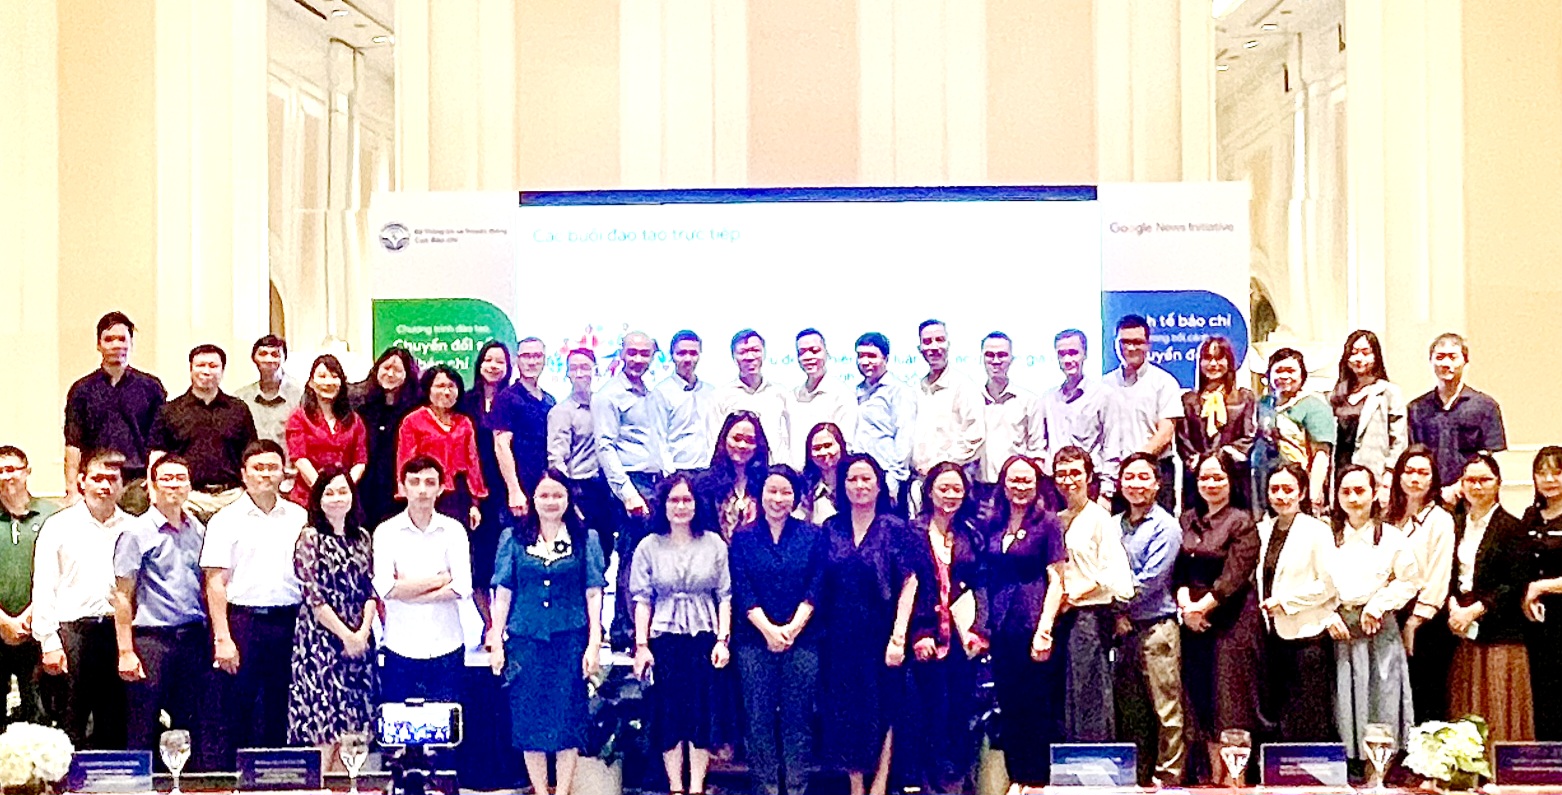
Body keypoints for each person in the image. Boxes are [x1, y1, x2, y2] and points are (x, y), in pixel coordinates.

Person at [486, 470, 606, 795]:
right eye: (544, 495)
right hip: (526, 642)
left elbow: (593, 592)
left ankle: (563, 790)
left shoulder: (586, 539)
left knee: (568, 720)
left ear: (568, 499)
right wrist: (496, 640)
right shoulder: (512, 538)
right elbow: (503, 591)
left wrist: (594, 642)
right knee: (529, 721)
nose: (551, 501)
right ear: (533, 499)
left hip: (569, 641)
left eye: (557, 495)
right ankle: (540, 790)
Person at [817, 454, 916, 795]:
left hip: (883, 633)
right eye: (852, 479)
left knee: (884, 707)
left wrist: (899, 636)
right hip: (839, 636)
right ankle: (856, 785)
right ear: (843, 485)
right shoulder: (831, 527)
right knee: (847, 711)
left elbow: (910, 581)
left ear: (878, 484)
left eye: (866, 479)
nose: (859, 486)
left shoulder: (895, 527)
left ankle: (880, 783)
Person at [112, 455, 219, 770]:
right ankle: (139, 787)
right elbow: (122, 595)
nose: (174, 485)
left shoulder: (198, 530)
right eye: (167, 478)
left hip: (193, 639)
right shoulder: (135, 533)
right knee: (142, 723)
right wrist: (126, 651)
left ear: (189, 485)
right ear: (153, 486)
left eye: (180, 478)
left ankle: (188, 787)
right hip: (152, 641)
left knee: (193, 723)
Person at [630, 473, 732, 795]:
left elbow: (725, 595)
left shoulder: (714, 543)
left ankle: (697, 786)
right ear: (663, 504)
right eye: (674, 500)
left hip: (704, 636)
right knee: (669, 714)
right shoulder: (648, 546)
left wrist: (723, 640)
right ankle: (675, 787)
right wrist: (642, 645)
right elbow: (642, 599)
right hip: (664, 638)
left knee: (702, 713)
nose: (681, 506)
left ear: (697, 504)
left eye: (687, 499)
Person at [201, 440, 306, 752]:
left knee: (282, 705)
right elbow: (215, 582)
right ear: (243, 473)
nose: (265, 474)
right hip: (243, 623)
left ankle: (279, 775)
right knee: (237, 707)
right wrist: (222, 637)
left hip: (289, 622)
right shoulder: (225, 520)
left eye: (272, 467)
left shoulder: (300, 517)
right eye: (258, 468)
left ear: (284, 473)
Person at [729, 466, 824, 795]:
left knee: (799, 720)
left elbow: (816, 585)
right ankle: (766, 789)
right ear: (760, 494)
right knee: (759, 720)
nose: (778, 498)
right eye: (772, 491)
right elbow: (741, 587)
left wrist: (793, 628)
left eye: (786, 492)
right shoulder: (743, 537)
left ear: (796, 497)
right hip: (754, 640)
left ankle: (797, 788)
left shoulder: (813, 535)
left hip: (803, 640)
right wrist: (768, 630)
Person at [31, 449, 130, 749]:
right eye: (97, 478)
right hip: (73, 634)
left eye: (112, 479)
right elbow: (44, 585)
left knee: (115, 723)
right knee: (70, 723)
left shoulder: (132, 527)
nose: (105, 486)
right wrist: (49, 642)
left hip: (117, 633)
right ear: (82, 481)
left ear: (123, 485)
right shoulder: (58, 526)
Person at [978, 455, 1066, 788]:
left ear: (1037, 484)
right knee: (1009, 704)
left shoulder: (1049, 523)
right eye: (1013, 480)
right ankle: (1016, 778)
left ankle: (1037, 780)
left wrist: (1045, 629)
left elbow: (1056, 579)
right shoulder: (992, 522)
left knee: (1036, 705)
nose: (1020, 486)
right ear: (1003, 484)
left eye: (1026, 480)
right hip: (1001, 628)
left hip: (1032, 625)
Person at [1175, 451, 1262, 785]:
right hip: (1194, 623)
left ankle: (1234, 780)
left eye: (1218, 477)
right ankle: (1213, 777)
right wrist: (1187, 607)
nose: (1210, 484)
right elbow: (1179, 571)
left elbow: (1234, 577)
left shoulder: (1242, 521)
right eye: (1204, 478)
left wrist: (1202, 607)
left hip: (1232, 621)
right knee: (1201, 699)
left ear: (1230, 481)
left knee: (1231, 700)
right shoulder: (1187, 519)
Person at [902, 461, 985, 794]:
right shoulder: (912, 532)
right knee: (928, 715)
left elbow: (981, 585)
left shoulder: (972, 533)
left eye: (957, 489)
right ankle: (930, 786)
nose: (950, 495)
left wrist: (980, 629)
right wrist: (918, 633)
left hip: (964, 640)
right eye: (944, 488)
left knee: (960, 713)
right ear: (929, 491)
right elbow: (907, 587)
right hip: (926, 640)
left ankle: (958, 785)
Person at [1326, 465, 1418, 761]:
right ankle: (1349, 769)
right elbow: (1312, 580)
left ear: (1374, 493)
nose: (1353, 498)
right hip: (1340, 631)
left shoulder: (1391, 537)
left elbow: (1410, 581)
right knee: (1344, 703)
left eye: (1360, 490)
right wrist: (1328, 614)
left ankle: (1377, 773)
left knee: (1382, 701)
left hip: (1378, 629)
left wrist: (1379, 605)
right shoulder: (1326, 536)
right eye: (1346, 492)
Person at [287, 468, 378, 765]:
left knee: (354, 731)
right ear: (318, 499)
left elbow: (370, 590)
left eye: (343, 491)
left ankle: (347, 783)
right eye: (329, 493)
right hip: (321, 642)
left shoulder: (362, 537)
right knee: (324, 728)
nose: (337, 498)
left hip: (360, 641)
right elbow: (313, 596)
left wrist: (362, 634)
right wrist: (346, 635)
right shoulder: (310, 538)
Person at [1445, 452, 1532, 745]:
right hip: (1462, 631)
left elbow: (1514, 583)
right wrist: (1453, 607)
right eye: (1470, 480)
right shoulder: (1454, 523)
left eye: (1485, 479)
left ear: (1498, 483)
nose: (1477, 486)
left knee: (1497, 706)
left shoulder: (1512, 527)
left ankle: (1499, 766)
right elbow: (1446, 572)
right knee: (1465, 706)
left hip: (1500, 634)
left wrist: (1475, 611)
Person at [372, 455, 473, 703]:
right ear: (402, 487)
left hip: (447, 645)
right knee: (400, 723)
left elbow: (462, 586)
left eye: (430, 483)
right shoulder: (385, 532)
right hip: (400, 646)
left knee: (448, 723)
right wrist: (440, 580)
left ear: (441, 488)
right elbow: (386, 588)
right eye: (414, 482)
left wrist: (407, 591)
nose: (422, 490)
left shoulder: (454, 530)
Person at [1052, 445, 1133, 742]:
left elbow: (1112, 573)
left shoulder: (1100, 518)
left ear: (1088, 477)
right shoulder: (1056, 519)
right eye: (1061, 474)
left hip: (1089, 615)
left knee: (1089, 692)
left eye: (1075, 473)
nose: (1068, 480)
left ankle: (1092, 759)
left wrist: (1072, 596)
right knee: (1064, 694)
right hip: (1060, 617)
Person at [1113, 452, 1185, 787]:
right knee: (1131, 710)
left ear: (1157, 484)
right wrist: (1116, 614)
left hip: (1156, 629)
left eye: (1144, 477)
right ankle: (1136, 778)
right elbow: (1104, 571)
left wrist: (1116, 606)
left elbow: (1150, 580)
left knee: (1166, 709)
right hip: (1121, 632)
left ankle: (1168, 779)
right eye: (1129, 477)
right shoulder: (1113, 525)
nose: (1136, 484)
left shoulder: (1166, 527)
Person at [592, 332, 665, 647]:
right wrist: (627, 493)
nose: (638, 359)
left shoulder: (650, 393)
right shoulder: (608, 395)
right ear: (621, 353)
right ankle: (628, 631)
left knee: (648, 557)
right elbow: (605, 447)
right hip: (631, 484)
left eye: (644, 353)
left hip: (655, 482)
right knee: (632, 557)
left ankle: (637, 627)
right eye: (632, 352)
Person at [1256, 464, 1338, 743]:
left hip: (1307, 635)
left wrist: (1287, 602)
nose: (1281, 495)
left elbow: (1329, 584)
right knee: (1277, 716)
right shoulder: (1262, 529)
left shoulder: (1318, 531)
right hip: (1270, 635)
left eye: (1288, 489)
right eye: (1275, 489)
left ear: (1302, 493)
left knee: (1307, 715)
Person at [64, 312, 167, 513]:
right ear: (98, 344)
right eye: (109, 339)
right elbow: (73, 443)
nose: (116, 345)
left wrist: (154, 483)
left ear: (131, 343)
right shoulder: (81, 390)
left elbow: (158, 443)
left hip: (137, 483)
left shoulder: (151, 388)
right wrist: (71, 490)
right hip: (96, 479)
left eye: (122, 339)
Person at [1382, 446, 1455, 722]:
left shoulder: (1440, 520)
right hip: (1390, 615)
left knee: (1425, 694)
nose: (1415, 479)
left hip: (1425, 622)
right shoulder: (1388, 518)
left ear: (1433, 479)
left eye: (1423, 473)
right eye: (1409, 471)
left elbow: (1439, 575)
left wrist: (1415, 622)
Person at [148, 345, 257, 522]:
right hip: (188, 498)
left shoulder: (239, 410)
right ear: (191, 369)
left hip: (231, 497)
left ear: (222, 370)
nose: (206, 371)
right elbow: (157, 456)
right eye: (200, 365)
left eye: (213, 366)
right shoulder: (169, 411)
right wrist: (154, 494)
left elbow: (251, 455)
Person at [1407, 333, 1507, 503]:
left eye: (1453, 357)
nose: (1446, 363)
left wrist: (1459, 487)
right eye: (1440, 357)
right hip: (1428, 497)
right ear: (1431, 361)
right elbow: (1413, 456)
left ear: (1465, 361)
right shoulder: (1416, 409)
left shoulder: (1485, 406)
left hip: (1474, 495)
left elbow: (1492, 457)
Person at [0, 446, 59, 727]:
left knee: (40, 714)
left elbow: (62, 572)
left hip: (37, 629)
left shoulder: (52, 516)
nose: (5, 476)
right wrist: (4, 621)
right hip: (0, 625)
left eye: (12, 469)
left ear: (27, 472)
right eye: (0, 471)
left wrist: (31, 615)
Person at [397, 366, 489, 535]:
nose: (446, 392)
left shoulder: (464, 422)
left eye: (451, 387)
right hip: (425, 491)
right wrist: (407, 494)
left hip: (459, 495)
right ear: (428, 389)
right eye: (440, 386)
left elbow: (473, 463)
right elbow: (405, 461)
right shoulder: (413, 421)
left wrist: (475, 503)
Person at [1105, 317, 1183, 512]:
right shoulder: (1104, 385)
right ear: (1115, 344)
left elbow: (1165, 432)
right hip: (1116, 475)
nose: (1131, 348)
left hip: (1155, 469)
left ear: (1148, 344)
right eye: (1125, 342)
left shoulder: (1164, 382)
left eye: (1137, 342)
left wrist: (1136, 464)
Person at [459, 340, 515, 602]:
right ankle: (488, 621)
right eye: (488, 360)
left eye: (500, 361)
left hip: (507, 487)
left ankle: (504, 617)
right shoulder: (464, 401)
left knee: (505, 558)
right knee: (479, 563)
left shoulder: (514, 399)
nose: (493, 366)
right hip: (473, 489)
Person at [909, 321, 984, 515]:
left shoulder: (964, 387)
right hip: (918, 483)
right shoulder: (915, 389)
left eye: (939, 340)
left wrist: (939, 468)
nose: (934, 347)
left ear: (948, 344)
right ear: (919, 348)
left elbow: (974, 438)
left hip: (953, 486)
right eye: (927, 342)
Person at [548, 348, 616, 559]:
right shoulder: (561, 412)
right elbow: (556, 459)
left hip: (607, 487)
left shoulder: (605, 405)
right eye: (574, 368)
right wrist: (568, 498)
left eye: (585, 367)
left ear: (595, 370)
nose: (579, 373)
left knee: (607, 547)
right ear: (567, 373)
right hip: (580, 489)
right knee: (584, 549)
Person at [1175, 336, 1256, 510]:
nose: (1213, 364)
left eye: (1219, 358)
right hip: (1198, 478)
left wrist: (1221, 458)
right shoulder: (1189, 401)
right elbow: (1183, 439)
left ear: (1229, 362)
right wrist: (1202, 462)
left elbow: (1248, 436)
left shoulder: (1244, 398)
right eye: (1207, 358)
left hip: (1234, 476)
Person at [1039, 329, 1121, 501]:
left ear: (1085, 354)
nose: (1068, 359)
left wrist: (1106, 493)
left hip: (1089, 484)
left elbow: (1112, 445)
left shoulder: (1104, 395)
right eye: (1062, 354)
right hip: (1054, 487)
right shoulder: (1047, 398)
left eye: (1073, 353)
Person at [1254, 348, 1335, 513]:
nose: (1284, 376)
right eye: (1279, 371)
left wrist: (1313, 493)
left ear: (1302, 375)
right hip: (1263, 486)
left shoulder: (1314, 406)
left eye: (1290, 371)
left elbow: (1321, 454)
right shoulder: (1263, 404)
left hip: (1297, 487)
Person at [1328, 330, 1407, 490]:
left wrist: (1389, 471)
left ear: (1376, 356)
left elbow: (1399, 439)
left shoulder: (1388, 392)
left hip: (1374, 473)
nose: (1359, 359)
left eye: (1365, 353)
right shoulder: (1337, 393)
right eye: (1354, 353)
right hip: (1340, 472)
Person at [286, 354, 367, 506]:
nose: (328, 382)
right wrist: (322, 490)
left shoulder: (355, 420)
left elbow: (360, 461)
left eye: (334, 376)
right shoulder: (299, 417)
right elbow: (299, 458)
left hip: (344, 499)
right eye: (322, 376)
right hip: (307, 499)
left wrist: (343, 489)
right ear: (311, 382)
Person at [976, 333, 1043, 513]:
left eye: (1002, 355)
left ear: (1012, 359)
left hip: (1016, 489)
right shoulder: (971, 399)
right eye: (990, 355)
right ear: (981, 358)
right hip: (979, 489)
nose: (996, 361)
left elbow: (1036, 449)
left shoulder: (1029, 401)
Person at [355, 347, 421, 528]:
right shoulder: (363, 408)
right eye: (386, 368)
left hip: (399, 490)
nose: (390, 374)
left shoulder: (415, 410)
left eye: (397, 370)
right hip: (366, 490)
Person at [1523, 447, 1562, 740]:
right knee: (1542, 694)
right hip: (1537, 623)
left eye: (1557, 473)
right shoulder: (1531, 515)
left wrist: (1540, 587)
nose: (1549, 480)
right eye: (1542, 473)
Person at [495, 337, 557, 518]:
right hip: (519, 490)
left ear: (544, 360)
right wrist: (514, 489)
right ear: (517, 360)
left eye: (537, 356)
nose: (532, 361)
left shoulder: (550, 400)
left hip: (545, 487)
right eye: (526, 356)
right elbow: (501, 445)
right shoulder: (506, 398)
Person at [852, 332, 914, 506]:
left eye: (871, 356)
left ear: (885, 358)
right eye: (860, 356)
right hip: (860, 477)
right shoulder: (857, 391)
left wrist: (894, 481)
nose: (865, 361)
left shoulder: (899, 391)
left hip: (887, 478)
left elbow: (904, 437)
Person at [783, 329, 857, 471]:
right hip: (796, 477)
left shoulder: (842, 395)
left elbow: (846, 444)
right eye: (802, 352)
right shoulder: (792, 396)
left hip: (828, 476)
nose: (808, 357)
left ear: (826, 353)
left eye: (814, 350)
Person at [713, 330, 788, 465]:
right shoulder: (722, 396)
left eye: (755, 350)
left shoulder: (781, 393)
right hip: (740, 472)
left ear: (764, 353)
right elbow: (715, 441)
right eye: (743, 352)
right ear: (734, 357)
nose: (750, 357)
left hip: (775, 471)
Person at [699, 411, 771, 540]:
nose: (742, 445)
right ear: (724, 439)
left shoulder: (766, 482)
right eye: (737, 439)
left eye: (749, 440)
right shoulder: (705, 484)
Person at [652, 330, 717, 473]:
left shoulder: (711, 391)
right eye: (681, 353)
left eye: (693, 353)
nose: (688, 359)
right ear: (672, 355)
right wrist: (670, 474)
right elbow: (658, 439)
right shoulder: (661, 392)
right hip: (677, 470)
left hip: (707, 470)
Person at [234, 335, 303, 449]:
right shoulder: (241, 399)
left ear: (284, 358)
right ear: (254, 358)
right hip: (253, 460)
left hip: (290, 460)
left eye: (275, 355)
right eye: (263, 354)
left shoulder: (301, 396)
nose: (269, 359)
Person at [798, 422, 847, 525]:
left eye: (828, 445)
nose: (823, 452)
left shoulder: (854, 479)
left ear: (841, 445)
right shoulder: (804, 486)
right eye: (817, 448)